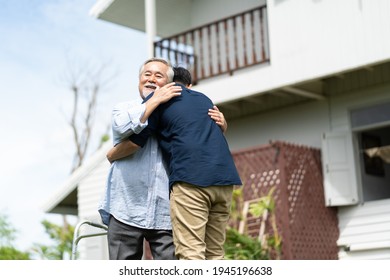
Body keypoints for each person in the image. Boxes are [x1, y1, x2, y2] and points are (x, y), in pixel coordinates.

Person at [109, 59, 242, 260]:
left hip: (191, 181)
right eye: (147, 74)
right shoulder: (204, 99)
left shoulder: (164, 102)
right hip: (225, 181)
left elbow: (136, 142)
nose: (152, 80)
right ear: (189, 86)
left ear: (171, 85)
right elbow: (212, 131)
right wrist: (224, 126)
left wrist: (111, 155)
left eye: (159, 76)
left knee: (191, 254)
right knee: (215, 253)